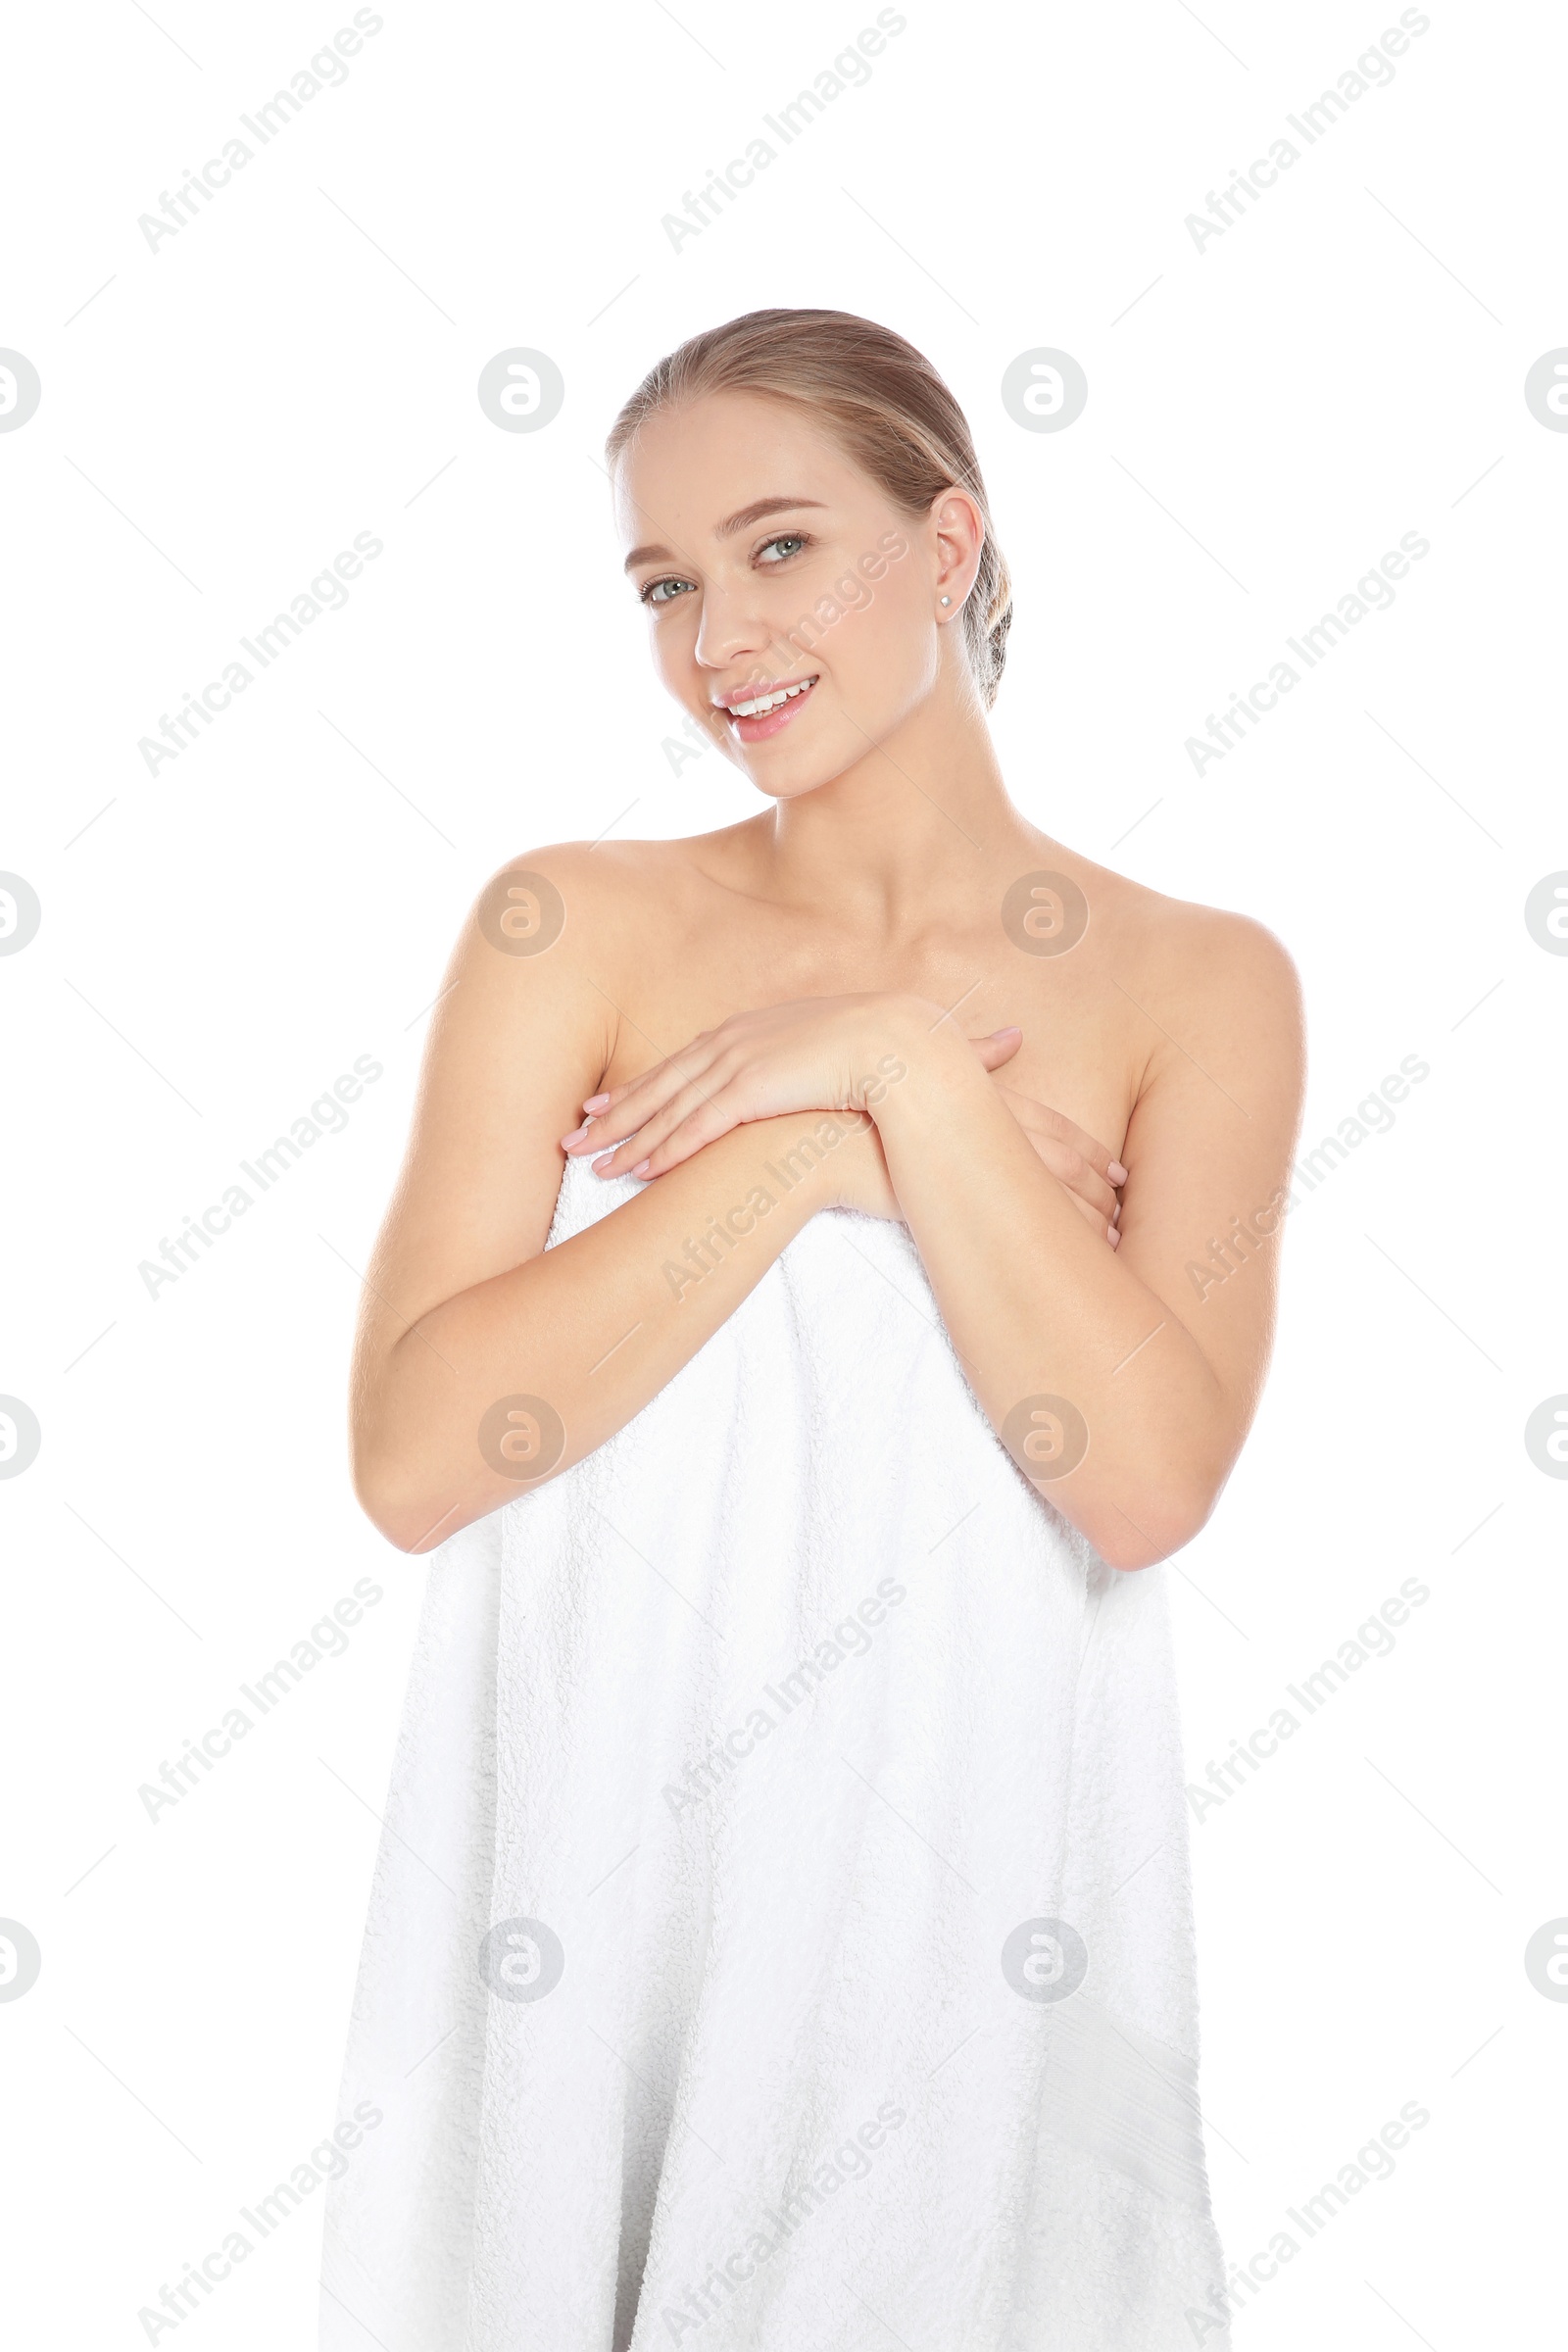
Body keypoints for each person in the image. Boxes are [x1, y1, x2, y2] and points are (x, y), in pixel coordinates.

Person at [321, 308, 1303, 2352]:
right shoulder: (569, 923)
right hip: (603, 1918)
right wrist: (809, 1160)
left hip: (958, 1949)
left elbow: (1133, 1482)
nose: (712, 639)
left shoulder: (1197, 988)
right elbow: (424, 1458)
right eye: (664, 584)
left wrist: (902, 1074)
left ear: (946, 547)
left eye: (776, 549)